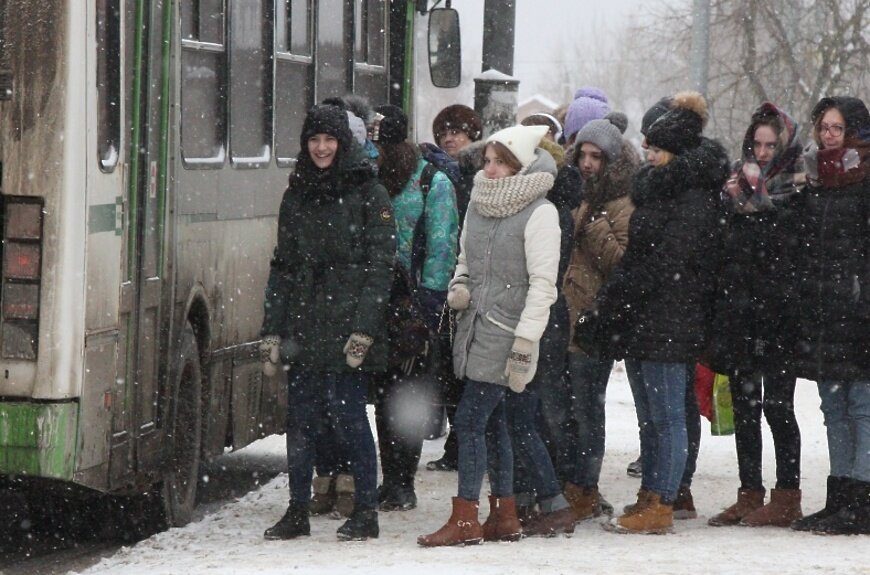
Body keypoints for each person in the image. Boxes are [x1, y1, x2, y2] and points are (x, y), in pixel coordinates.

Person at [590, 91, 729, 534]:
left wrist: (626, 290)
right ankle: (651, 492)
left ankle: (664, 501)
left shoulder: (694, 198)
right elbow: (643, 258)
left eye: (654, 148)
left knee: (668, 415)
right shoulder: (659, 191)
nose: (647, 154)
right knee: (649, 415)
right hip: (647, 317)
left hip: (672, 319)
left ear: (673, 151)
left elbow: (667, 262)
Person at [418, 125, 561, 546]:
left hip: (508, 332)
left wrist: (525, 342)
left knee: (469, 420)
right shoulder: (478, 205)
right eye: (488, 161)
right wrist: (459, 286)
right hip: (472, 329)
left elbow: (543, 285)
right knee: (495, 423)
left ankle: (465, 518)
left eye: (501, 162)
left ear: (520, 166)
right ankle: (505, 515)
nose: (492, 169)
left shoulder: (541, 213)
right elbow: (464, 259)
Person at [259, 104, 395, 541]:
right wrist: (272, 330)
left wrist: (364, 330)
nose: (321, 148)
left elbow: (381, 266)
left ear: (343, 143)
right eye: (314, 140)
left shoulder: (369, 192)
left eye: (329, 140)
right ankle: (297, 509)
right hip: (304, 323)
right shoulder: (296, 193)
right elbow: (282, 266)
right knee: (300, 422)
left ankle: (366, 511)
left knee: (350, 419)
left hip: (347, 325)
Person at [707, 102, 805, 528]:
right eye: (757, 144)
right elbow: (726, 249)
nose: (762, 153)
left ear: (784, 144)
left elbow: (796, 254)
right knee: (745, 405)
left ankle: (788, 493)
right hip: (741, 310)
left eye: (770, 144)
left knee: (778, 405)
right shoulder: (733, 186)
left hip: (782, 313)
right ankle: (749, 491)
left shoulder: (800, 187)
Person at [368, 104, 459, 511]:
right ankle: (395, 481)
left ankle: (400, 482)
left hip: (405, 304)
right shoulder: (412, 179)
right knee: (395, 396)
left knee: (400, 397)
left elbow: (443, 247)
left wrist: (427, 310)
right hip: (394, 302)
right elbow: (440, 247)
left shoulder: (429, 181)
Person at [790, 96, 870, 536]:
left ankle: (862, 499)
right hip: (825, 311)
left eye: (837, 128)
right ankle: (839, 498)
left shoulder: (865, 180)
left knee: (861, 407)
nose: (829, 135)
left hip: (859, 314)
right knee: (832, 407)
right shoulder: (817, 182)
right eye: (824, 127)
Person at [561, 117, 639, 521]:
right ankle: (566, 483)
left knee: (587, 411)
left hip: (593, 323)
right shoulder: (571, 195)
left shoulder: (623, 203)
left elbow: (623, 263)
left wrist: (594, 228)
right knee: (561, 411)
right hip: (562, 318)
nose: (587, 163)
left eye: (596, 157)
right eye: (583, 155)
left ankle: (586, 487)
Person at [425, 104, 484, 473]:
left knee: (469, 370)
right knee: (449, 368)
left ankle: (465, 445)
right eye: (444, 132)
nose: (450, 138)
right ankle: (457, 445)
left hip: (473, 284)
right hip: (446, 286)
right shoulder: (434, 175)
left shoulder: (482, 174)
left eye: (457, 131)